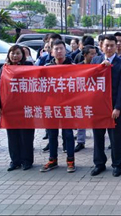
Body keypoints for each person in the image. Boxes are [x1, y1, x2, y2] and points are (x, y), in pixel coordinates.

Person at [90, 34, 121, 177]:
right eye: (106, 45)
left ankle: (117, 164)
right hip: (98, 107)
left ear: (117, 47)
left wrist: (118, 107)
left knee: (116, 138)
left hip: (114, 107)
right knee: (98, 137)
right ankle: (99, 163)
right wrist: (100, 68)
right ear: (101, 46)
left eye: (112, 45)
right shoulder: (96, 60)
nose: (109, 48)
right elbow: (89, 81)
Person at [0, 45, 35, 170]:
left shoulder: (29, 66)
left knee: (26, 135)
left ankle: (27, 161)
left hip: (26, 106)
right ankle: (15, 161)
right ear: (8, 55)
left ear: (23, 55)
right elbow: (0, 88)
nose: (15, 56)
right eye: (12, 53)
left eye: (18, 53)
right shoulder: (5, 68)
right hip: (9, 107)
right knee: (12, 136)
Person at [40, 40, 76, 172]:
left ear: (65, 51)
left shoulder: (73, 66)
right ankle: (52, 159)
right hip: (51, 105)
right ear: (51, 51)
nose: (59, 51)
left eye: (61, 48)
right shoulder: (47, 67)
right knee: (52, 134)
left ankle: (70, 161)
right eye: (56, 49)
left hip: (67, 105)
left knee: (68, 134)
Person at [73, 45, 97, 153]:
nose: (94, 56)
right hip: (82, 97)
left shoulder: (98, 66)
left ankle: (98, 142)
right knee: (80, 120)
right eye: (91, 53)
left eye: (95, 53)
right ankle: (80, 141)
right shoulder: (78, 67)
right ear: (85, 55)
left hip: (95, 97)